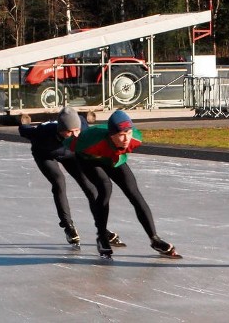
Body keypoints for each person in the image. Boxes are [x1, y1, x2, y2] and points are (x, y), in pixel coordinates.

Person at [65, 110, 181, 259]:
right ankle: (102, 237)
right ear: (111, 134)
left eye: (128, 132)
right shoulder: (90, 139)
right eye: (121, 134)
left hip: (113, 159)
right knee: (105, 187)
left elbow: (125, 141)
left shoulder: (135, 139)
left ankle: (155, 239)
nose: (126, 138)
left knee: (134, 194)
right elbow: (68, 142)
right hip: (90, 159)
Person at [19, 107, 124, 248]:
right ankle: (68, 227)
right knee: (59, 182)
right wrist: (23, 122)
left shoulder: (82, 126)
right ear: (60, 130)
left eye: (77, 131)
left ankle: (102, 229)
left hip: (71, 154)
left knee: (89, 187)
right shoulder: (43, 132)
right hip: (45, 154)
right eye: (69, 132)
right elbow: (23, 128)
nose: (75, 135)